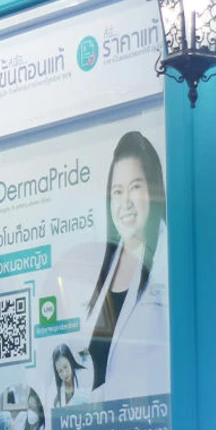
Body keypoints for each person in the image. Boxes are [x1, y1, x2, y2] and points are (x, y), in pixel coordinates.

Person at [83, 131, 169, 403]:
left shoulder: (168, 262)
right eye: (117, 192)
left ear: (153, 191)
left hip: (150, 422)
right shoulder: (104, 267)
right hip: (101, 426)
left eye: (135, 187)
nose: (125, 202)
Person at [52, 343, 87, 407]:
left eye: (65, 367)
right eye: (60, 371)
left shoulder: (83, 375)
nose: (64, 373)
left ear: (70, 362)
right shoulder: (55, 391)